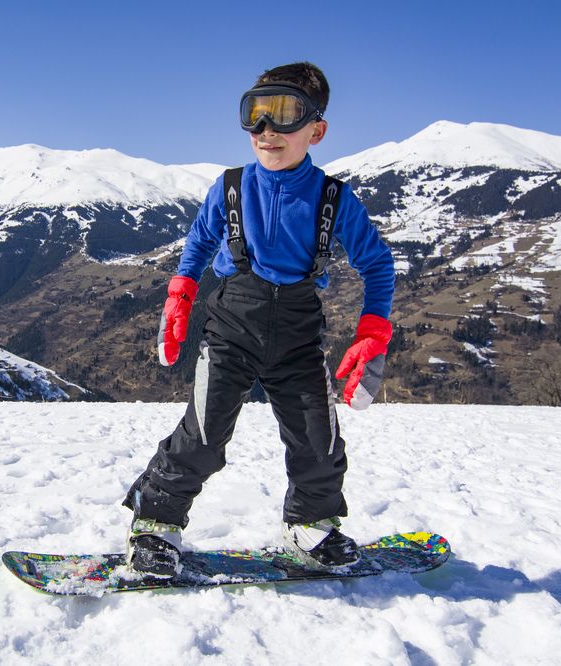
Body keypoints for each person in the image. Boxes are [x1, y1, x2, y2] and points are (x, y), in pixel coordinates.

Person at [123, 62, 395, 577]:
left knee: (318, 441)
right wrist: (180, 294)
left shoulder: (335, 200)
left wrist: (373, 331)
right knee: (203, 435)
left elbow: (377, 264)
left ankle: (311, 529)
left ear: (317, 129)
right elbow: (200, 242)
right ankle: (154, 527)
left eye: (285, 114)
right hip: (230, 329)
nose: (267, 131)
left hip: (298, 337)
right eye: (255, 114)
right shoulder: (229, 187)